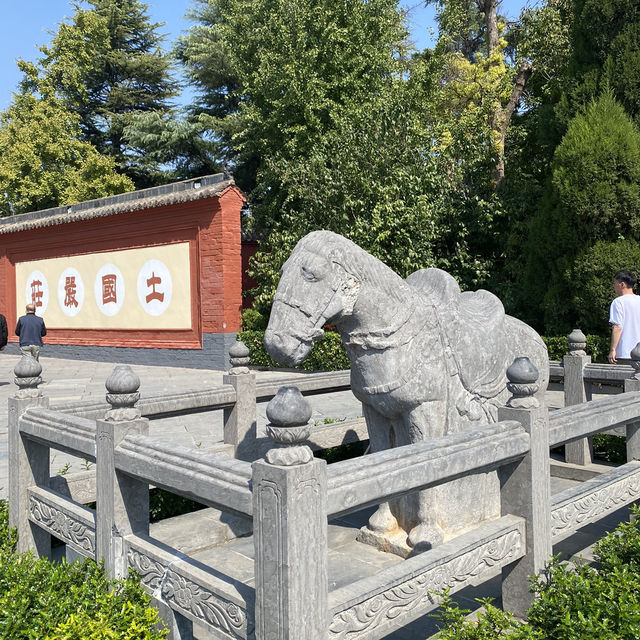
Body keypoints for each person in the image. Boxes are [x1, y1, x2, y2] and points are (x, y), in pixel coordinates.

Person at [608, 270, 640, 364]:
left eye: (614, 283)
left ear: (622, 284)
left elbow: (617, 327)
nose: (613, 286)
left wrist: (613, 350)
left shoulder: (618, 302)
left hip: (625, 352)